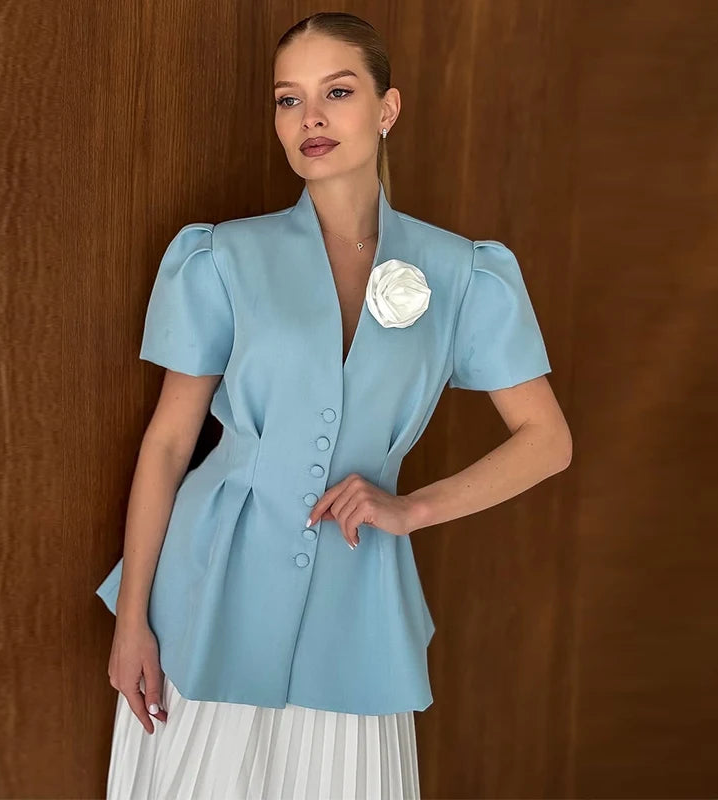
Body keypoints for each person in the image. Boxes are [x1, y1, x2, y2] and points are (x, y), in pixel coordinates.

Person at [95, 11, 572, 799]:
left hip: (358, 605)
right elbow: (170, 445)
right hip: (207, 593)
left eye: (337, 92)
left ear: (386, 109)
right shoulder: (221, 257)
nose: (310, 118)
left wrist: (410, 510)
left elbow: (545, 440)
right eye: (289, 99)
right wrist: (131, 620)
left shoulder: (462, 274)